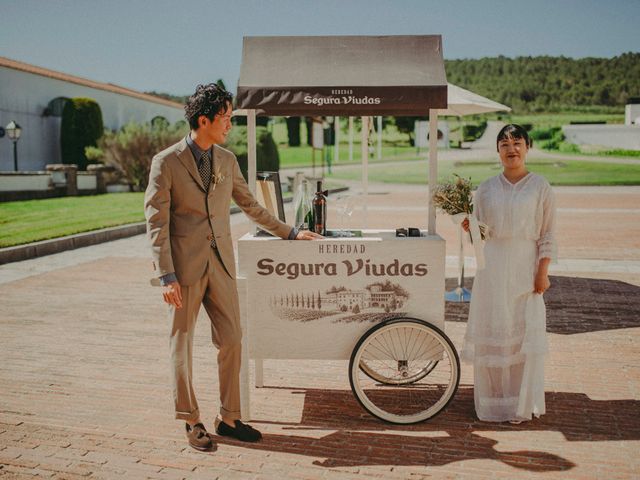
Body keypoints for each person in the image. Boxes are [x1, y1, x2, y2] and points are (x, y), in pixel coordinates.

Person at [144, 83, 321, 451]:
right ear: (203, 120)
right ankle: (191, 419)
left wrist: (289, 232)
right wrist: (166, 275)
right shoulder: (166, 162)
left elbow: (251, 206)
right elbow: (156, 222)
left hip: (222, 264)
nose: (229, 124)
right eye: (225, 117)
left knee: (233, 340)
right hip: (184, 269)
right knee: (183, 344)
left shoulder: (226, 159)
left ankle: (228, 418)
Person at [461, 124, 556, 424]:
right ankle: (492, 403)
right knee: (494, 330)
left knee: (522, 334)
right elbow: (480, 237)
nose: (511, 148)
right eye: (504, 143)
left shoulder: (541, 187)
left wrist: (543, 271)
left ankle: (520, 402)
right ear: (498, 150)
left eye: (517, 142)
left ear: (528, 147)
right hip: (492, 269)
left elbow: (548, 233)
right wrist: (471, 230)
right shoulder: (486, 188)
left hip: (524, 267)